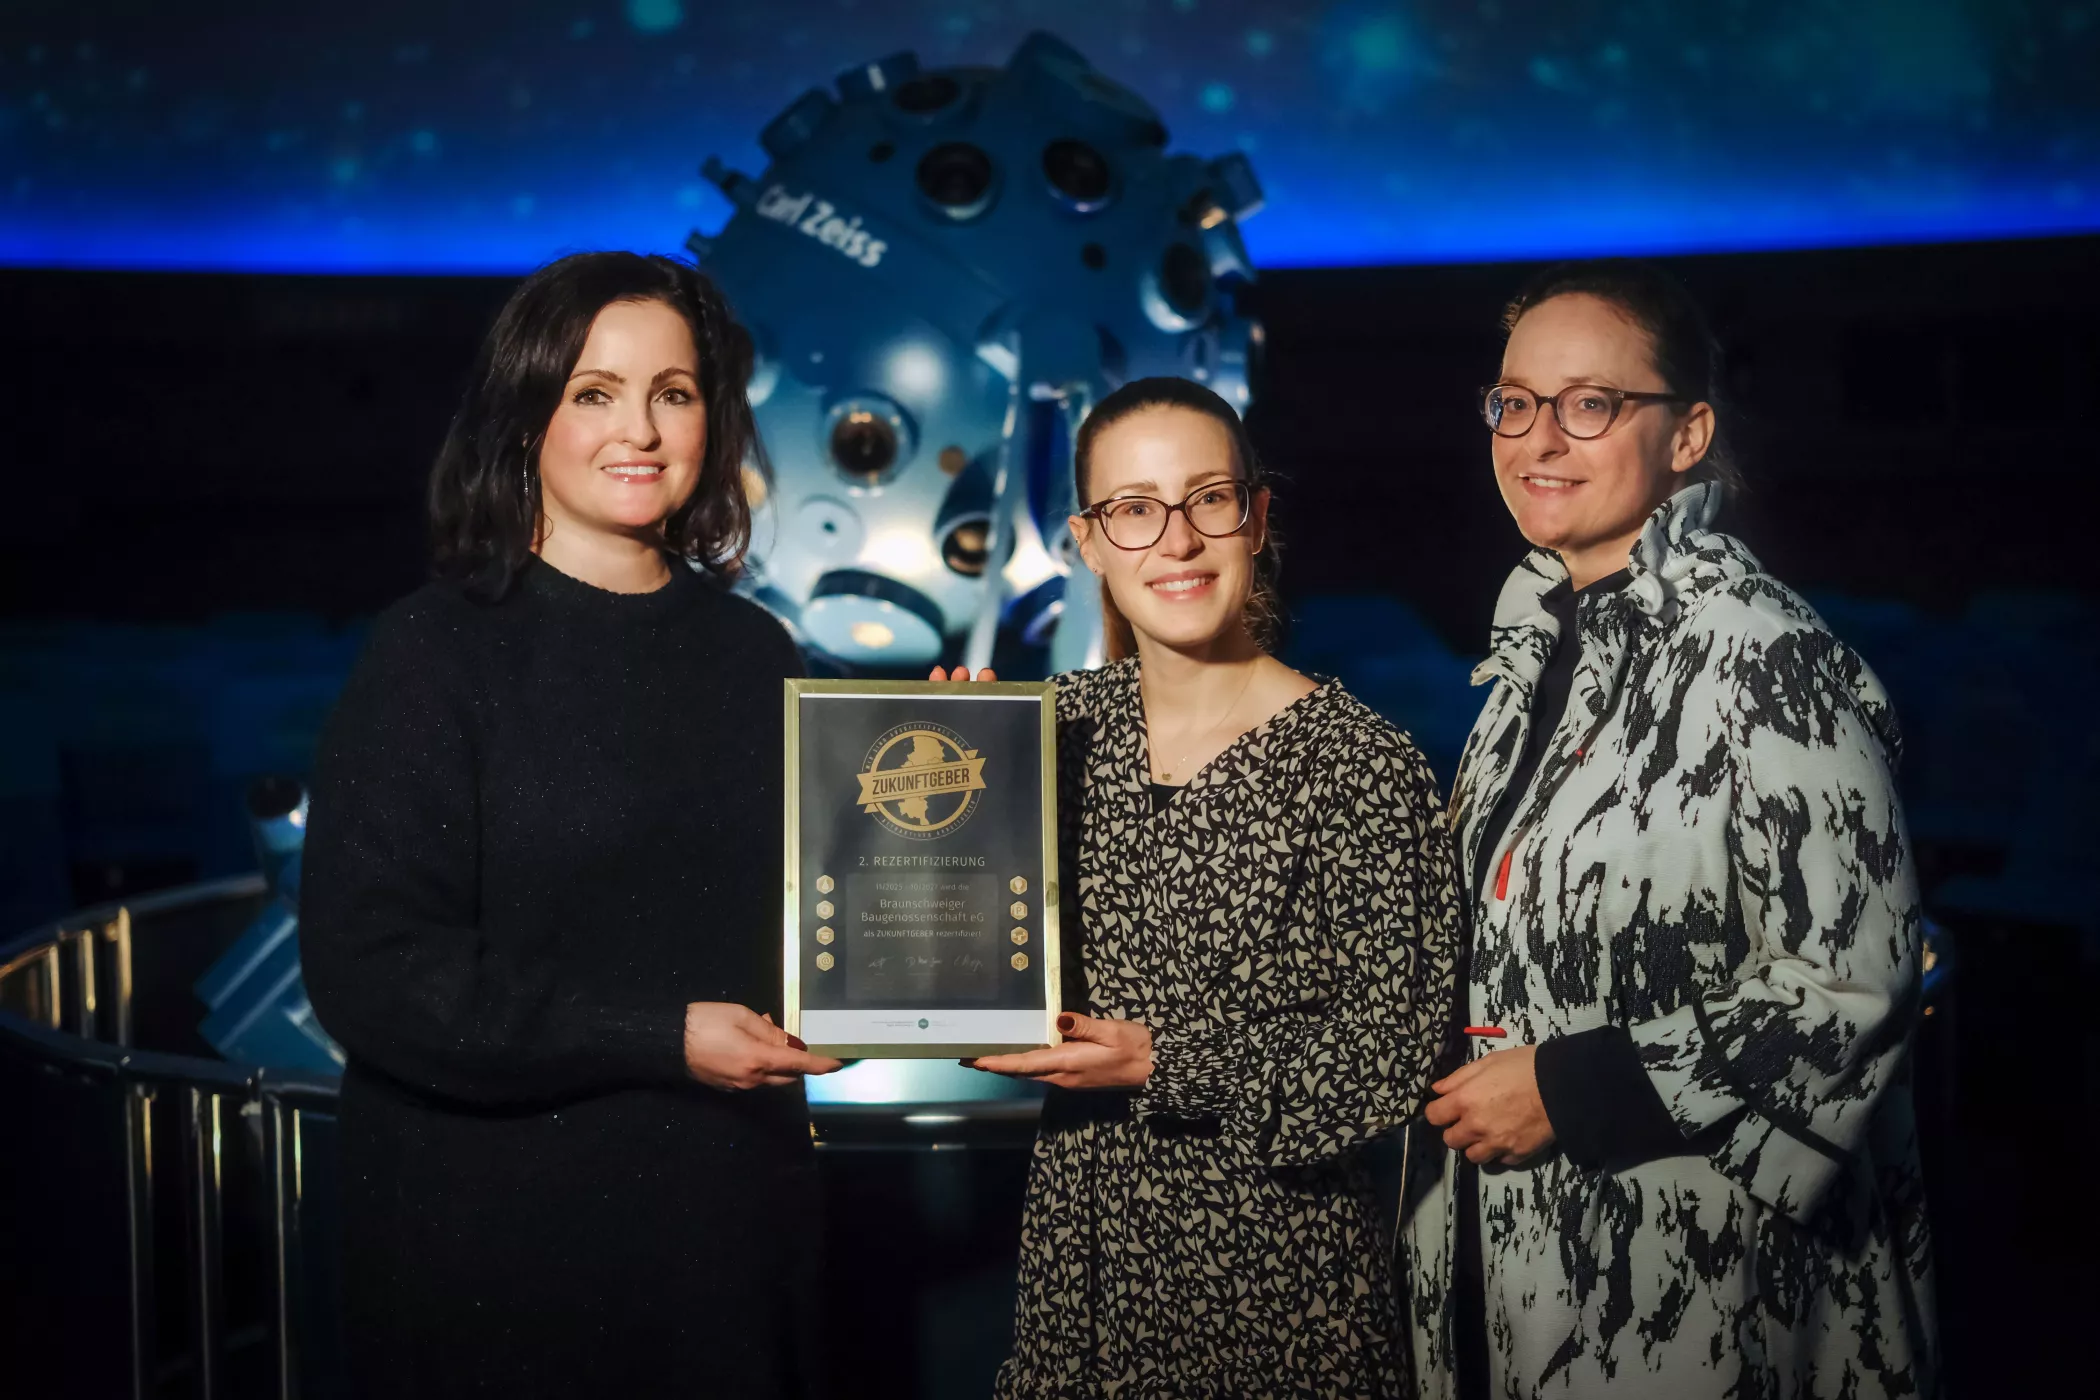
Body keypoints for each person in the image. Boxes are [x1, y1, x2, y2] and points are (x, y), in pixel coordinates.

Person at [300, 251, 841, 1398]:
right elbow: (375, 973)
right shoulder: (431, 654)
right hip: (493, 1249)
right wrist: (658, 1034)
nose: (639, 428)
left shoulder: (759, 657)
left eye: (675, 392)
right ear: (525, 410)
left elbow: (816, 919)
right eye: (594, 391)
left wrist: (942, 787)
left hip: (725, 1234)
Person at [1402, 260, 1938, 1398]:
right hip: (1523, 1280)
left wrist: (1571, 1086)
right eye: (1516, 401)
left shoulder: (1762, 654)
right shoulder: (1536, 654)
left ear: (1687, 432)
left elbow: (1853, 983)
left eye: (1590, 402)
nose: (1539, 437)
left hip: (1699, 1302)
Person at [940, 376, 1464, 1397]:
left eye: (1207, 499)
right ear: (1087, 542)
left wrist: (1163, 1059)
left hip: (1277, 1287)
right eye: (1134, 510)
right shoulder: (1044, 733)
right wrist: (936, 790)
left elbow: (1395, 1056)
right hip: (1076, 1273)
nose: (1174, 540)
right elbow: (975, 967)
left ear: (1257, 516)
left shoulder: (1360, 762)